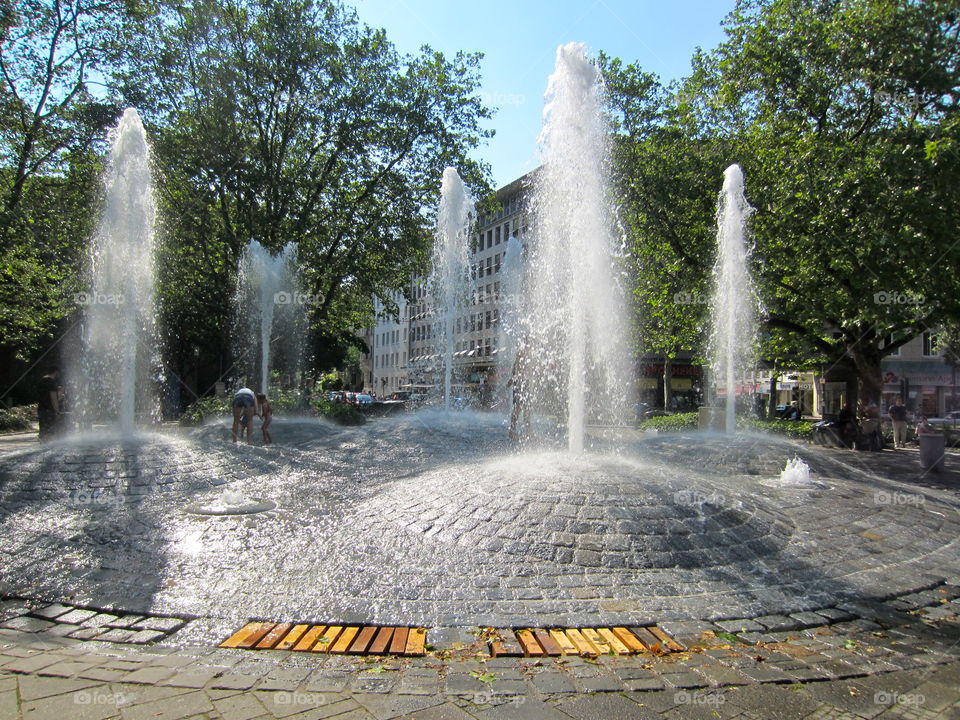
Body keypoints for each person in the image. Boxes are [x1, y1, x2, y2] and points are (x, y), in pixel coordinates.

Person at [508, 343, 532, 445]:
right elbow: (516, 373)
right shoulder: (519, 360)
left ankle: (527, 431)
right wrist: (513, 380)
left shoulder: (522, 359)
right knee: (519, 409)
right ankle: (513, 431)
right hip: (520, 385)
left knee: (525, 409)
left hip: (523, 384)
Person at [37, 368, 62, 441]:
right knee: (51, 431)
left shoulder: (41, 381)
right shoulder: (51, 382)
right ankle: (49, 448)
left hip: (41, 408)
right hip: (49, 410)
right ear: (56, 372)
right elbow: (53, 398)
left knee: (43, 429)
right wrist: (57, 411)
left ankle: (43, 446)